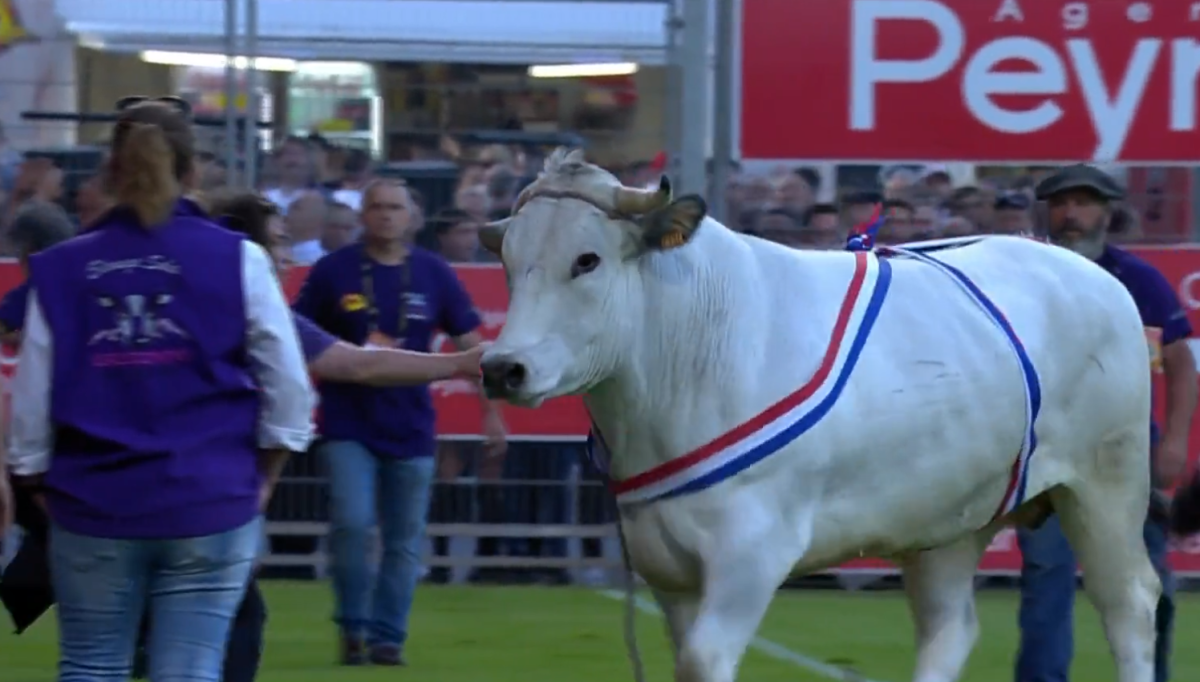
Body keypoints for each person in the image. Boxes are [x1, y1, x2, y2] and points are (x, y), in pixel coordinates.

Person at [6, 97, 318, 682]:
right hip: (210, 497)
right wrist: (266, 476)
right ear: (192, 168)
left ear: (110, 171)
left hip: (92, 502)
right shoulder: (238, 259)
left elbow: (32, 398)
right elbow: (289, 387)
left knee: (91, 665)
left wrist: (35, 481)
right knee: (192, 669)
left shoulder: (61, 268)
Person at [124, 190, 487, 682]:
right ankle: (353, 623)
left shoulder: (171, 303)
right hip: (221, 484)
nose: (289, 255)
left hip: (145, 490)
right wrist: (459, 363)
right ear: (248, 249)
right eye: (278, 242)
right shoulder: (285, 299)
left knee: (110, 644)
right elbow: (350, 368)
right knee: (223, 621)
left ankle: (383, 636)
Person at [294, 178, 507, 666]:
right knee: (351, 523)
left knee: (404, 538)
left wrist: (490, 412)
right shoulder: (332, 271)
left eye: (395, 208)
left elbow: (471, 346)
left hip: (411, 425)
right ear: (361, 215)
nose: (386, 216)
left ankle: (388, 637)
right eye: (376, 207)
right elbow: (294, 336)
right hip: (347, 420)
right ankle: (352, 625)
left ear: (411, 217)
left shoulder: (433, 272)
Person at [1016, 164, 1196, 682]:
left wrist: (1176, 442)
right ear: (1047, 211)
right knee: (1045, 581)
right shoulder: (1026, 279)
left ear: (1107, 212)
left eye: (1085, 202)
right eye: (1062, 202)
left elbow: (1181, 363)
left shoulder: (1138, 280)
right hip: (1045, 455)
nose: (1072, 213)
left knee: (1145, 585)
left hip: (1125, 455)